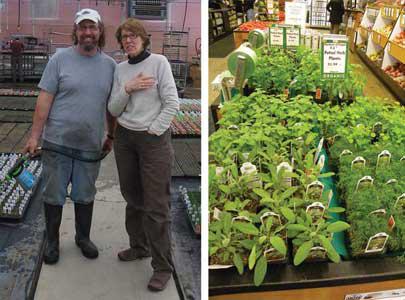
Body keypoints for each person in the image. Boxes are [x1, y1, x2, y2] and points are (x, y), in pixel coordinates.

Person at [23, 8, 116, 265]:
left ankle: (82, 237)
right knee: (53, 195)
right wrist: (34, 136)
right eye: (83, 27)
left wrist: (111, 136)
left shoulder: (110, 66)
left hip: (89, 145)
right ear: (75, 31)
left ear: (99, 31)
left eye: (92, 27)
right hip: (57, 143)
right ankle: (52, 241)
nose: (88, 32)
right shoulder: (60, 60)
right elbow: (44, 99)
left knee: (85, 195)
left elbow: (111, 106)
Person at [108, 18, 179, 292]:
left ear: (144, 38)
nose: (129, 40)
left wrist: (155, 129)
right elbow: (114, 109)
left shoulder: (159, 63)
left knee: (156, 205)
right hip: (125, 139)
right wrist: (127, 88)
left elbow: (172, 101)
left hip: (153, 140)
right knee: (132, 198)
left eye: (133, 35)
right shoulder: (120, 69)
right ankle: (139, 246)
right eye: (124, 36)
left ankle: (162, 266)